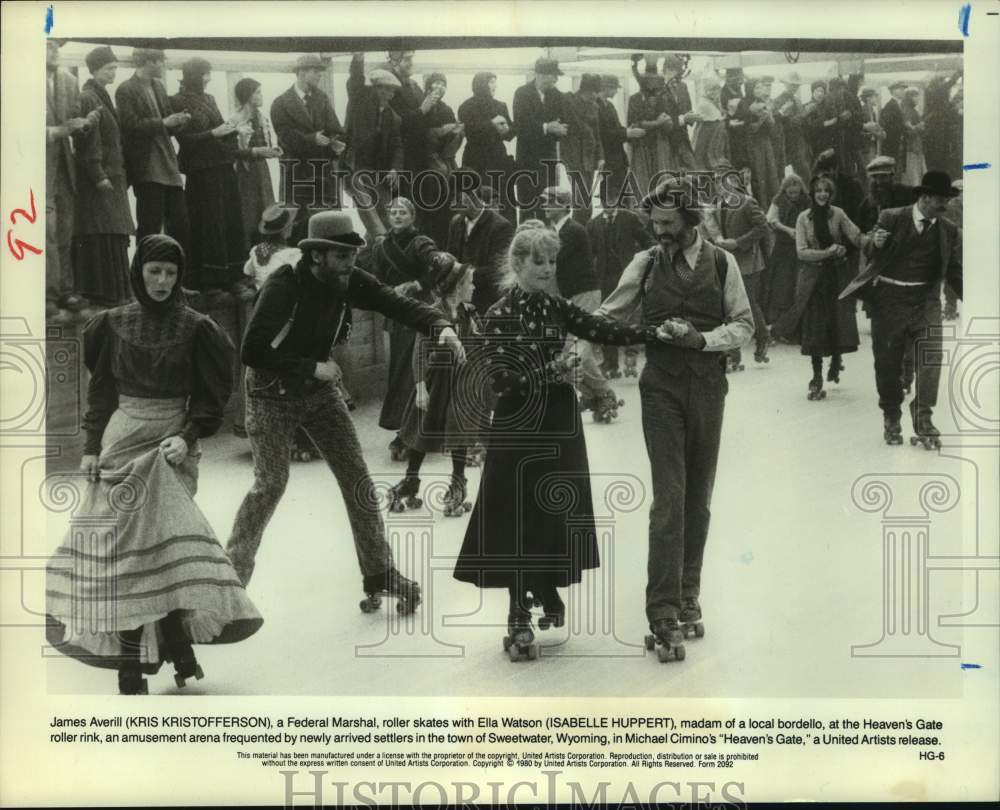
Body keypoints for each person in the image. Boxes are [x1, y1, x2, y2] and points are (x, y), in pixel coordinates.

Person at [45, 235, 262, 695]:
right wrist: (90, 447)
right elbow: (101, 392)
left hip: (169, 447)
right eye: (153, 272)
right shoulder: (109, 325)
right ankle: (141, 658)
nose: (162, 282)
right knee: (122, 553)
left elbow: (211, 400)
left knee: (159, 551)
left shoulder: (199, 328)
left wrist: (186, 439)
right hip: (121, 440)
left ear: (180, 276)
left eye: (170, 273)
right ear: (138, 272)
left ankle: (170, 646)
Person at [452, 226, 673, 661]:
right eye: (538, 262)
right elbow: (500, 382)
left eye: (552, 261)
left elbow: (601, 327)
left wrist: (653, 332)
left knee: (553, 510)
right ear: (517, 265)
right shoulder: (497, 315)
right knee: (516, 513)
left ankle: (547, 585)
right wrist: (552, 370)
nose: (548, 269)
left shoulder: (556, 306)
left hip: (557, 419)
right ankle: (518, 611)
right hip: (518, 423)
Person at [225, 211, 465, 606]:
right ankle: (229, 582)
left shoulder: (348, 279)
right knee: (270, 485)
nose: (351, 262)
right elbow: (252, 350)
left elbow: (395, 303)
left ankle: (379, 573)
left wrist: (440, 325)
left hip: (319, 394)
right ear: (317, 255)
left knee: (359, 482)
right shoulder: (282, 286)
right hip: (271, 395)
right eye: (341, 255)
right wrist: (311, 366)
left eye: (353, 253)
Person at [594, 178, 754, 661]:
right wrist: (572, 342)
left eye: (667, 224)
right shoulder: (644, 263)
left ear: (691, 221)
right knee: (669, 498)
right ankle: (661, 610)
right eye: (654, 224)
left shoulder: (723, 263)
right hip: (660, 387)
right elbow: (608, 311)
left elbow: (744, 325)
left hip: (707, 388)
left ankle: (688, 593)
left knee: (698, 499)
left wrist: (702, 340)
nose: (659, 232)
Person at [839, 171, 962, 448]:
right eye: (940, 199)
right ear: (925, 196)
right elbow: (870, 248)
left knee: (930, 361)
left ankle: (923, 416)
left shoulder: (948, 230)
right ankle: (891, 416)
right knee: (888, 364)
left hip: (926, 303)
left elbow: (954, 272)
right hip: (890, 301)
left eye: (947, 200)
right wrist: (874, 243)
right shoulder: (892, 217)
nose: (944, 205)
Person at [391, 254, 481, 516]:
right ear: (457, 287)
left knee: (460, 431)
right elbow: (420, 350)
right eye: (470, 283)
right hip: (436, 380)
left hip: (460, 381)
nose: (474, 287)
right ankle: (409, 482)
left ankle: (457, 483)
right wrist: (420, 387)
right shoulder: (433, 313)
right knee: (423, 432)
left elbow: (476, 341)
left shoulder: (467, 313)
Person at [775, 175, 865, 400]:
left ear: (831, 193)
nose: (822, 194)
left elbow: (856, 236)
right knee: (814, 329)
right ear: (812, 194)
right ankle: (816, 377)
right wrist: (828, 253)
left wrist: (872, 241)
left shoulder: (838, 214)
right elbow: (801, 251)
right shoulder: (804, 218)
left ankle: (836, 360)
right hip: (813, 280)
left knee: (837, 323)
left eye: (826, 190)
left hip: (836, 278)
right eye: (818, 191)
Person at [366, 198, 440, 461]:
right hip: (396, 314)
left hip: (419, 312)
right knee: (398, 372)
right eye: (393, 212)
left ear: (412, 216)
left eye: (402, 212)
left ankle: (414, 432)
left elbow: (438, 270)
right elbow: (376, 278)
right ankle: (404, 430)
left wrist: (416, 285)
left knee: (414, 371)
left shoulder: (422, 244)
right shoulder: (381, 245)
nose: (397, 216)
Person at [541, 187, 620, 422]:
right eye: (544, 201)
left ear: (565, 206)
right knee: (566, 353)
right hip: (568, 297)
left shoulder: (574, 231)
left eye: (550, 201)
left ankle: (605, 393)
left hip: (584, 294)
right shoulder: (553, 230)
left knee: (579, 353)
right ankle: (591, 394)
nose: (545, 205)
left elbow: (555, 260)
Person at [170, 58, 248, 292]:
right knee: (209, 222)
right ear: (193, 75)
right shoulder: (176, 100)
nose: (208, 78)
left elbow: (219, 130)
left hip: (221, 165)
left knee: (229, 218)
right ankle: (210, 280)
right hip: (201, 170)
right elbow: (184, 140)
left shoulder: (210, 99)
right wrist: (213, 133)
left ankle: (232, 275)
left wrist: (233, 129)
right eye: (204, 74)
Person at [73, 45, 135, 309]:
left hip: (113, 175)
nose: (114, 72)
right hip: (100, 178)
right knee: (101, 230)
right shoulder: (88, 98)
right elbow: (88, 141)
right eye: (109, 68)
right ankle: (103, 292)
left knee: (113, 230)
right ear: (95, 69)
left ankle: (116, 292)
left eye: (114, 68)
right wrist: (98, 174)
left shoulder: (101, 96)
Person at [116, 48, 191, 247]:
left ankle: (175, 271)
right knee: (150, 226)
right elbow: (130, 126)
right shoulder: (125, 89)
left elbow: (166, 122)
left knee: (180, 224)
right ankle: (141, 273)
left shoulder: (158, 86)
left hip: (168, 165)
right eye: (161, 61)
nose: (163, 65)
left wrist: (179, 121)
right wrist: (164, 122)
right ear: (149, 61)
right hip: (147, 168)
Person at [270, 54, 347, 245]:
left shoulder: (322, 98)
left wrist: (334, 142)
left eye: (320, 72)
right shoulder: (280, 103)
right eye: (315, 71)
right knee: (295, 221)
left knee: (325, 220)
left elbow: (335, 128)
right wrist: (312, 139)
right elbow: (285, 137)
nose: (319, 75)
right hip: (296, 170)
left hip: (322, 169)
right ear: (301, 73)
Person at [47, 39, 97, 320]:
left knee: (64, 231)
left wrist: (83, 125)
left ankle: (66, 290)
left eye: (57, 46)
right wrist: (60, 131)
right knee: (45, 232)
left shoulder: (68, 80)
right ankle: (47, 296)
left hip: (65, 169)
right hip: (37, 169)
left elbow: (73, 119)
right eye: (48, 45)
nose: (54, 51)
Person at [703, 160, 770, 367]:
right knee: (728, 305)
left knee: (748, 304)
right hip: (726, 261)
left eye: (723, 181)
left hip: (748, 261)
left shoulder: (747, 202)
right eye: (716, 182)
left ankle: (763, 338)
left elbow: (763, 227)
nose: (719, 186)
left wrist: (739, 243)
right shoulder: (716, 204)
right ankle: (734, 354)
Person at [586, 202, 655, 377]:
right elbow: (589, 253)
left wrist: (655, 256)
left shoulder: (629, 218)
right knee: (608, 318)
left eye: (611, 198)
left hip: (628, 275)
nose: (608, 203)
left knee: (631, 316)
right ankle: (611, 363)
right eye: (604, 199)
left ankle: (630, 358)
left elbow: (646, 240)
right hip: (605, 278)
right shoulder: (593, 224)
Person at [344, 54, 403, 238]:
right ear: (376, 89)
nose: (391, 95)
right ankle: (379, 248)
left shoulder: (393, 117)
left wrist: (394, 169)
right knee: (373, 220)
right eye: (387, 90)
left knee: (387, 218)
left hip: (379, 174)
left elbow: (397, 145)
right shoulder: (359, 102)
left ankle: (370, 255)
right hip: (356, 171)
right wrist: (358, 57)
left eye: (393, 91)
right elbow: (355, 79)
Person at [446, 188, 515, 315]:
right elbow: (451, 257)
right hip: (459, 302)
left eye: (456, 197)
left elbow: (498, 270)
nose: (451, 202)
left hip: (487, 303)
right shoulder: (455, 222)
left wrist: (463, 274)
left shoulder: (501, 226)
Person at [230, 78, 281, 249]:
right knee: (248, 213)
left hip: (261, 170)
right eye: (257, 92)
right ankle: (247, 251)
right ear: (248, 95)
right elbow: (231, 152)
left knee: (266, 210)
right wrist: (255, 152)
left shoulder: (262, 119)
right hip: (245, 172)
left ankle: (265, 250)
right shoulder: (235, 120)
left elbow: (266, 145)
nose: (261, 96)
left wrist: (273, 151)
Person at [457, 71, 516, 221]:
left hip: (497, 158)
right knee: (476, 199)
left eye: (495, 82)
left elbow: (509, 134)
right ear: (480, 84)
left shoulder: (500, 105)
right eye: (490, 82)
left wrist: (508, 129)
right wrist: (492, 124)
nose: (494, 86)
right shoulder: (466, 106)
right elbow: (470, 129)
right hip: (476, 159)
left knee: (501, 200)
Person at [512, 57, 566, 220]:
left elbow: (561, 122)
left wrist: (559, 129)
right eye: (553, 75)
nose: (556, 79)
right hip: (526, 159)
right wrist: (546, 127)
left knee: (548, 205)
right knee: (527, 207)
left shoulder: (557, 96)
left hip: (548, 160)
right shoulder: (521, 93)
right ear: (541, 74)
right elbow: (520, 125)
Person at [420, 72, 465, 246]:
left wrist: (457, 133)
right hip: (425, 163)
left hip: (445, 160)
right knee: (431, 205)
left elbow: (452, 145)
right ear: (428, 85)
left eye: (443, 84)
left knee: (449, 202)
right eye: (436, 83)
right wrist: (441, 131)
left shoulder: (446, 109)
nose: (440, 87)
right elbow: (420, 134)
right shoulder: (421, 105)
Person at [763, 173, 810, 327]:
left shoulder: (806, 201)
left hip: (801, 247)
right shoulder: (779, 200)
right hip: (783, 247)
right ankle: (777, 322)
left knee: (797, 284)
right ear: (785, 190)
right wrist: (788, 230)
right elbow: (771, 219)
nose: (794, 196)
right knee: (781, 284)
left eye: (796, 193)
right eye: (790, 193)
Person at [560, 73, 605, 224]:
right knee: (582, 201)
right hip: (574, 157)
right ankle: (577, 231)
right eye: (594, 92)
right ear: (587, 90)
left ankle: (582, 231)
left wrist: (601, 156)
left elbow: (597, 133)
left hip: (589, 158)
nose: (596, 95)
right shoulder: (569, 101)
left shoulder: (594, 106)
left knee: (586, 200)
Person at [627, 56, 674, 199]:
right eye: (650, 81)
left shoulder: (663, 98)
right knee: (643, 182)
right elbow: (634, 124)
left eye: (656, 82)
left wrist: (664, 122)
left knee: (660, 181)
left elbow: (668, 123)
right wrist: (657, 123)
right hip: (642, 146)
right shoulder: (635, 99)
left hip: (660, 145)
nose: (653, 86)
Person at [596, 75, 644, 209]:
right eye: (614, 88)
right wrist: (627, 133)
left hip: (618, 159)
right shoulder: (595, 106)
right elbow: (603, 134)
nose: (616, 92)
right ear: (606, 88)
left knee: (621, 195)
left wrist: (629, 131)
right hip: (606, 158)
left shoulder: (609, 106)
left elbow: (616, 128)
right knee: (610, 196)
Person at [742, 77, 783, 209]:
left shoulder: (762, 103)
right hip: (753, 143)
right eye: (757, 87)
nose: (760, 90)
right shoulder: (745, 104)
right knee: (759, 177)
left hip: (766, 142)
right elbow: (749, 129)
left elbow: (771, 128)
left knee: (772, 174)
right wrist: (761, 119)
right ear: (750, 89)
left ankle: (774, 209)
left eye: (761, 87)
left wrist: (769, 116)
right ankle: (763, 210)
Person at [661, 54, 699, 172]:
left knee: (693, 172)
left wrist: (692, 117)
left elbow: (687, 107)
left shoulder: (683, 86)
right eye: (674, 70)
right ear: (665, 70)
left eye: (679, 71)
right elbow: (659, 116)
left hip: (683, 138)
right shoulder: (657, 88)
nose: (677, 75)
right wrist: (683, 119)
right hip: (665, 142)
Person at [772, 72, 811, 184]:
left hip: (798, 140)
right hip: (785, 140)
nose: (794, 87)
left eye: (797, 85)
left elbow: (801, 121)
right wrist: (803, 115)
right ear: (786, 84)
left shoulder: (797, 101)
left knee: (803, 172)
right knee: (783, 173)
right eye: (792, 85)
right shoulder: (778, 101)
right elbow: (778, 121)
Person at [691, 78, 730, 172]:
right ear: (706, 90)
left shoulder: (713, 102)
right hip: (706, 134)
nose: (715, 92)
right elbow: (716, 119)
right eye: (712, 89)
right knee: (705, 158)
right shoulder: (704, 103)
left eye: (717, 90)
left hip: (714, 136)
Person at [879, 81, 908, 179]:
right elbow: (886, 125)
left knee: (895, 171)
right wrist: (903, 126)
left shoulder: (897, 105)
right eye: (901, 89)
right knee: (892, 171)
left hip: (896, 144)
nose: (903, 91)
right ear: (894, 91)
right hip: (892, 145)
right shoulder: (890, 106)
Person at [900, 87, 928, 187]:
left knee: (917, 175)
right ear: (908, 98)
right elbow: (909, 131)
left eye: (917, 96)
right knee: (915, 176)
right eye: (914, 96)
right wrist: (919, 126)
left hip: (916, 146)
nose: (917, 98)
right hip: (912, 148)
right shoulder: (906, 111)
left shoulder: (912, 110)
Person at [858, 86, 885, 176]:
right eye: (874, 96)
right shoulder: (861, 111)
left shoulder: (873, 112)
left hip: (872, 146)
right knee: (867, 171)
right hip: (865, 147)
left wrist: (880, 132)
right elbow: (859, 130)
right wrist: (871, 134)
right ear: (868, 98)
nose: (876, 99)